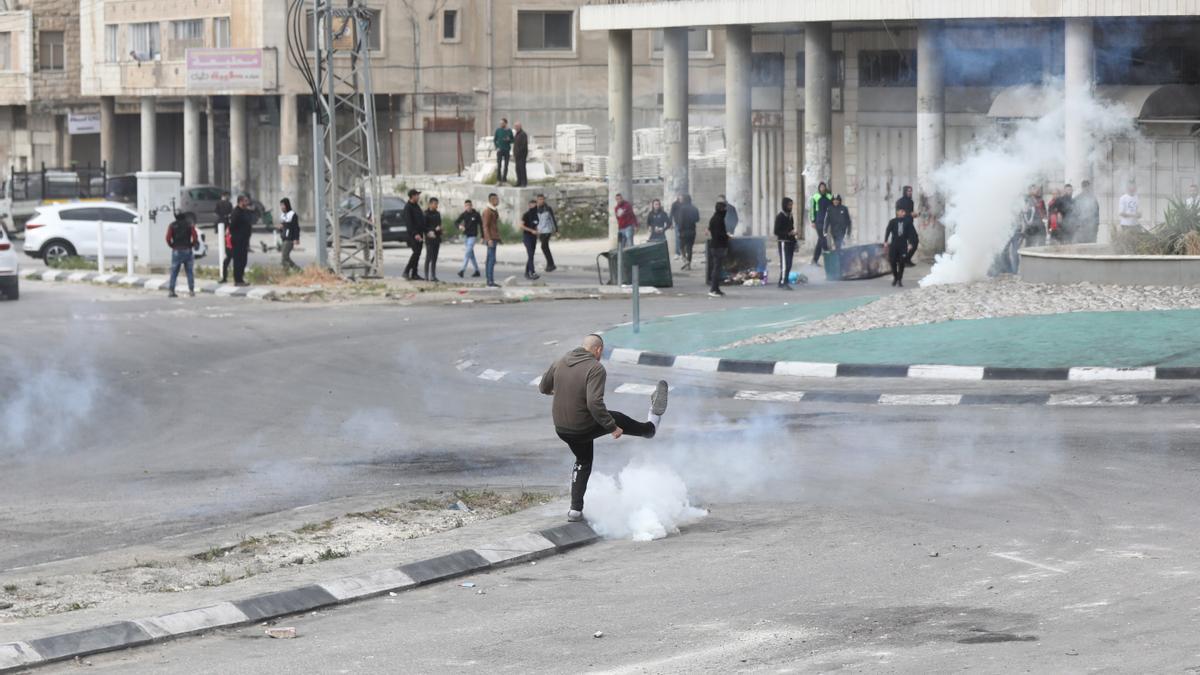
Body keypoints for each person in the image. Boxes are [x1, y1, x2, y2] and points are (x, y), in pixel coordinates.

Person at [539, 334, 669, 523]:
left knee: (583, 460)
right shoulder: (595, 368)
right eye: (602, 352)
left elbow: (543, 387)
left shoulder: (560, 361)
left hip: (562, 428)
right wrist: (612, 427)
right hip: (581, 426)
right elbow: (594, 403)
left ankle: (575, 510)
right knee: (616, 417)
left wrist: (563, 392)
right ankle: (650, 428)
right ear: (598, 350)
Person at [165, 211, 198, 298]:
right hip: (187, 249)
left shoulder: (172, 225)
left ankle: (171, 291)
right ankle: (191, 291)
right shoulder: (189, 224)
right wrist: (191, 245)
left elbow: (168, 238)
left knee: (174, 272)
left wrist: (172, 245)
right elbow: (195, 237)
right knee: (189, 272)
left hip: (176, 250)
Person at [884, 206, 918, 287]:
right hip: (894, 244)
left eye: (904, 211)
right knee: (892, 261)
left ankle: (899, 279)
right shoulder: (892, 221)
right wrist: (885, 241)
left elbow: (910, 233)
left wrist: (910, 243)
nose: (904, 213)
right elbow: (888, 231)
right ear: (897, 212)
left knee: (902, 262)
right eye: (902, 211)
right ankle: (895, 277)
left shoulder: (908, 222)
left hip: (903, 244)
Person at [230, 195, 255, 286]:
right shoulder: (236, 212)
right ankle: (237, 280)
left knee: (243, 260)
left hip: (244, 240)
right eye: (245, 201)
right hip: (237, 240)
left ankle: (241, 278)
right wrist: (238, 234)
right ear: (240, 202)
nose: (247, 202)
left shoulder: (245, 211)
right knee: (238, 261)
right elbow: (232, 226)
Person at [707, 201, 730, 298]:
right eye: (724, 209)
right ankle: (713, 289)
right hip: (717, 246)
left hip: (717, 246)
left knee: (718, 268)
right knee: (716, 268)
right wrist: (727, 236)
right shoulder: (718, 219)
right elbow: (718, 234)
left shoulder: (716, 218)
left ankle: (716, 288)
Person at [455, 200, 483, 278]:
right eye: (466, 205)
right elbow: (456, 222)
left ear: (471, 205)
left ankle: (462, 270)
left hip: (473, 236)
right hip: (466, 236)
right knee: (471, 255)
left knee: (467, 253)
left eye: (469, 205)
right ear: (465, 206)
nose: (468, 207)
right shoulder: (464, 214)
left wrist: (482, 236)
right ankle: (477, 271)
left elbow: (481, 225)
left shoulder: (476, 214)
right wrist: (460, 226)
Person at [401, 189, 425, 280]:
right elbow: (409, 223)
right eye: (417, 195)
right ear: (412, 196)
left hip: (420, 233)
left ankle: (414, 273)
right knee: (415, 253)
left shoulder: (416, 206)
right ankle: (406, 271)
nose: (418, 197)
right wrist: (415, 234)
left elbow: (421, 219)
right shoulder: (408, 207)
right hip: (413, 234)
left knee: (418, 253)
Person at [774, 197, 797, 290]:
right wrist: (787, 233)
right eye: (789, 205)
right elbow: (776, 231)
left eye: (791, 205)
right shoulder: (780, 216)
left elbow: (791, 228)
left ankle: (784, 280)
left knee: (789, 263)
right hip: (783, 242)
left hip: (790, 242)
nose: (790, 207)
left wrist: (794, 239)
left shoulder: (790, 216)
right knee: (784, 263)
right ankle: (783, 282)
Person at [809, 182, 832, 265]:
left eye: (823, 187)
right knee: (823, 239)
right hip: (818, 220)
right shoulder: (815, 197)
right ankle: (828, 257)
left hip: (826, 221)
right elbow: (812, 210)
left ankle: (814, 260)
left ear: (825, 188)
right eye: (821, 187)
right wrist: (812, 221)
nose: (822, 188)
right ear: (819, 188)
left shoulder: (829, 196)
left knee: (820, 240)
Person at [676, 194, 701, 270]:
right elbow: (697, 219)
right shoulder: (694, 208)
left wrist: (679, 230)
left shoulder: (682, 209)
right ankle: (689, 265)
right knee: (689, 248)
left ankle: (685, 260)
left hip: (683, 231)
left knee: (681, 247)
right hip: (692, 230)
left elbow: (680, 221)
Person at [482, 193, 502, 287]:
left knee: (490, 259)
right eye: (496, 199)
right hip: (490, 238)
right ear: (492, 200)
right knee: (491, 260)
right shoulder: (488, 211)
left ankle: (490, 280)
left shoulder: (493, 210)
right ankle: (490, 281)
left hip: (494, 237)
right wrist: (488, 239)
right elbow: (485, 226)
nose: (498, 201)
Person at [536, 193, 558, 272]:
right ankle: (551, 264)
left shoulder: (548, 208)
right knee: (545, 248)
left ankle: (550, 264)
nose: (541, 201)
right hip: (540, 231)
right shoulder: (536, 209)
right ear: (537, 200)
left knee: (543, 247)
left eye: (542, 199)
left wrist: (556, 229)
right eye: (539, 199)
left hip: (547, 230)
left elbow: (552, 219)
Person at [423, 197, 443, 282]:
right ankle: (426, 276)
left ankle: (433, 275)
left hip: (437, 238)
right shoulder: (425, 214)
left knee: (435, 257)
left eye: (437, 204)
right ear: (430, 204)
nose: (436, 205)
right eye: (435, 204)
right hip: (429, 238)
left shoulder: (437, 214)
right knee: (429, 257)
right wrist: (430, 231)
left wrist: (440, 229)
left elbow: (439, 224)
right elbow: (424, 226)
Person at [520, 198, 540, 280]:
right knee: (530, 254)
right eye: (532, 205)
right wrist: (531, 230)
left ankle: (526, 272)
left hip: (534, 238)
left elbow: (536, 225)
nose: (534, 206)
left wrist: (537, 231)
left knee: (531, 256)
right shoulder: (526, 215)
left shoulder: (536, 215)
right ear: (529, 205)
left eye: (535, 205)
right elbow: (521, 226)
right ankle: (532, 272)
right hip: (527, 237)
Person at [278, 198, 300, 271]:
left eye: (283, 205)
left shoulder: (292, 214)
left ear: (287, 205)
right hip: (284, 238)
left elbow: (296, 227)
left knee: (284, 257)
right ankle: (296, 270)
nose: (282, 207)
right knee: (285, 257)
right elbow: (282, 228)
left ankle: (294, 270)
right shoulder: (282, 216)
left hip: (289, 239)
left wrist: (296, 238)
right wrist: (280, 228)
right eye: (281, 205)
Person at [494, 118, 514, 185]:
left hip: (506, 150)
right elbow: (495, 140)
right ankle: (498, 180)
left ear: (505, 123)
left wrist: (509, 139)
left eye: (502, 123)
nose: (501, 124)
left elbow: (513, 140)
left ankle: (504, 179)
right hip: (500, 150)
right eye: (500, 123)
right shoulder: (498, 130)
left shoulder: (509, 131)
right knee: (499, 165)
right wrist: (497, 147)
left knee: (506, 165)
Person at [668, 192, 684, 259]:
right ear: (678, 196)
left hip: (684, 224)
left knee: (683, 238)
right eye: (680, 196)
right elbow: (671, 214)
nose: (681, 197)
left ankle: (683, 252)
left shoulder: (685, 204)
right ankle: (677, 253)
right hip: (677, 223)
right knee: (678, 238)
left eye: (682, 196)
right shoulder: (674, 204)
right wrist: (670, 223)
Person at [513, 122, 529, 188]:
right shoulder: (517, 134)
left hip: (522, 155)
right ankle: (519, 181)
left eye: (517, 126)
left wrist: (519, 152)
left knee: (522, 169)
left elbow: (523, 145)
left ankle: (523, 182)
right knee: (517, 169)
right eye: (515, 126)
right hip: (517, 155)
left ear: (520, 126)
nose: (515, 128)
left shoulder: (523, 134)